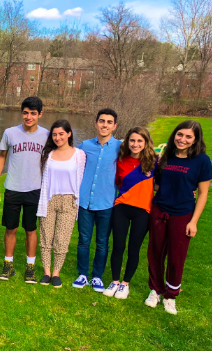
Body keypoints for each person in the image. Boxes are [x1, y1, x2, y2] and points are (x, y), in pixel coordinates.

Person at [145, 120, 211, 315]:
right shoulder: (166, 156)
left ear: (195, 140)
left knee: (176, 257)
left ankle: (170, 295)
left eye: (188, 136)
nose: (182, 139)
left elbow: (203, 193)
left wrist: (194, 221)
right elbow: (156, 185)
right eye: (180, 134)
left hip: (182, 214)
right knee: (155, 252)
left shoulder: (202, 160)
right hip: (159, 210)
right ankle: (155, 290)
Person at [0, 97, 49, 283]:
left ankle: (30, 267)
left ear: (40, 114)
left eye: (33, 113)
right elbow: (2, 157)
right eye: (25, 112)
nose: (29, 116)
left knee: (30, 229)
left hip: (35, 188)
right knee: (10, 228)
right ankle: (8, 265)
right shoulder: (10, 133)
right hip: (13, 188)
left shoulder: (47, 135)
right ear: (21, 113)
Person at [103, 127, 156, 299]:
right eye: (132, 140)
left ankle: (125, 284)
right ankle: (115, 281)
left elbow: (161, 185)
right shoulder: (121, 161)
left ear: (146, 143)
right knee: (118, 246)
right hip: (122, 208)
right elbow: (118, 182)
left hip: (143, 211)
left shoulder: (154, 162)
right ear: (127, 141)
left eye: (140, 141)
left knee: (134, 248)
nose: (135, 144)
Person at [73, 108, 121, 292]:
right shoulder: (84, 146)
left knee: (102, 242)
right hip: (85, 202)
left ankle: (97, 277)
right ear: (96, 123)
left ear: (114, 126)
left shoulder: (120, 147)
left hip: (107, 203)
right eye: (102, 121)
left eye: (109, 122)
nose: (105, 125)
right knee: (84, 240)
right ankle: (83, 273)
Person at [36, 120, 86, 288]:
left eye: (61, 134)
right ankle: (46, 272)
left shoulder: (79, 155)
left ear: (69, 134)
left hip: (69, 200)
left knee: (62, 239)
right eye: (55, 134)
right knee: (45, 237)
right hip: (49, 199)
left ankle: (56, 273)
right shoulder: (48, 154)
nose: (57, 138)